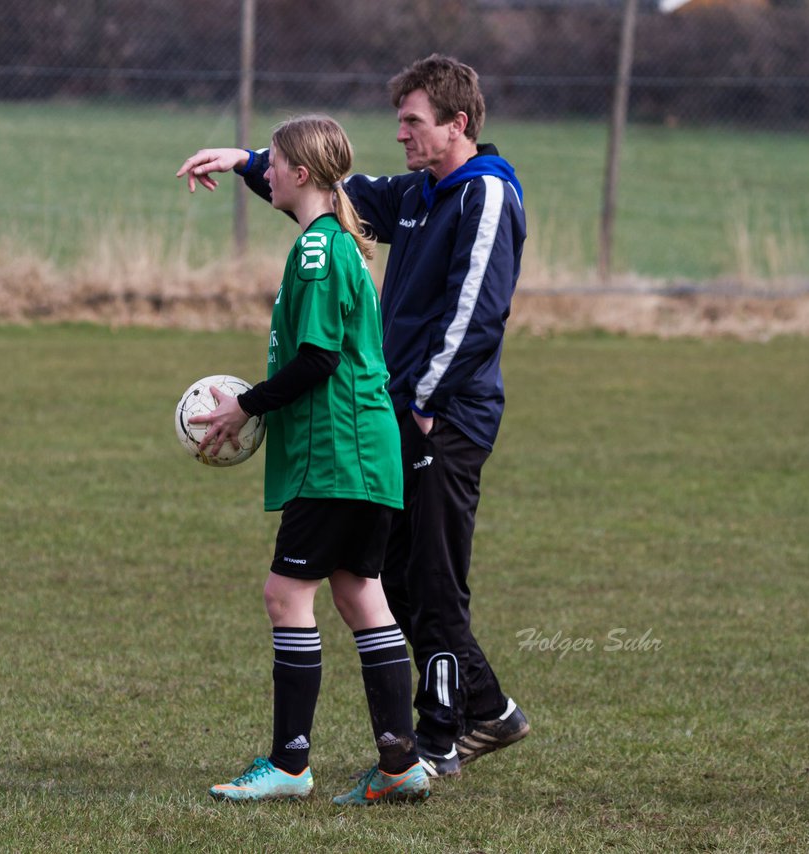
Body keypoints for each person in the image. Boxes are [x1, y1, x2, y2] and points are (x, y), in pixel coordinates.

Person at [177, 55, 529, 778]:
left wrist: (427, 402)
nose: (399, 134)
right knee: (393, 578)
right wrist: (248, 159)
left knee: (428, 584)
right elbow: (337, 193)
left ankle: (433, 745)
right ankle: (488, 711)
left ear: (457, 125)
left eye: (412, 121)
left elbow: (475, 313)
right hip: (399, 413)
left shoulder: (482, 194)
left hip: (446, 416)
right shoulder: (420, 192)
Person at [186, 114, 430, 806]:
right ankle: (400, 762)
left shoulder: (319, 251)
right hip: (366, 455)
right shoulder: (336, 240)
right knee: (359, 592)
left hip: (336, 453)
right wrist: (237, 158)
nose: (265, 171)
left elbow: (318, 360)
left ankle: (290, 763)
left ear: (300, 174)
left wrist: (248, 406)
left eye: (272, 163)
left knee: (286, 595)